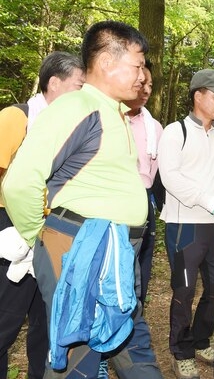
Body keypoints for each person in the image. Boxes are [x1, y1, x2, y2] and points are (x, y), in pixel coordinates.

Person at [1, 20, 163, 378]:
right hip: (81, 253)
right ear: (107, 62)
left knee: (129, 342)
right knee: (77, 359)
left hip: (115, 256)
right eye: (137, 65)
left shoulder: (113, 113)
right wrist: (40, 238)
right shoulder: (77, 107)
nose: (142, 75)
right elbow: (19, 183)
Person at [0, 51, 84, 379]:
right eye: (79, 86)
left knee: (46, 323)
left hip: (51, 231)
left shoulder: (70, 130)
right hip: (11, 230)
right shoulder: (15, 118)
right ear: (54, 83)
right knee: (6, 321)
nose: (83, 95)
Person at [157, 68, 214, 379]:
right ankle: (181, 351)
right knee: (184, 290)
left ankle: (201, 341)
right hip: (184, 225)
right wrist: (208, 200)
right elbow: (170, 177)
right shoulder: (176, 132)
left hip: (213, 225)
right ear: (197, 96)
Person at [124, 59, 163, 305]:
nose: (147, 90)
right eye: (142, 83)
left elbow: (157, 173)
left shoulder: (155, 128)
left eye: (150, 85)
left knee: (142, 265)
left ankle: (136, 318)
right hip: (117, 203)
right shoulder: (112, 119)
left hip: (144, 203)